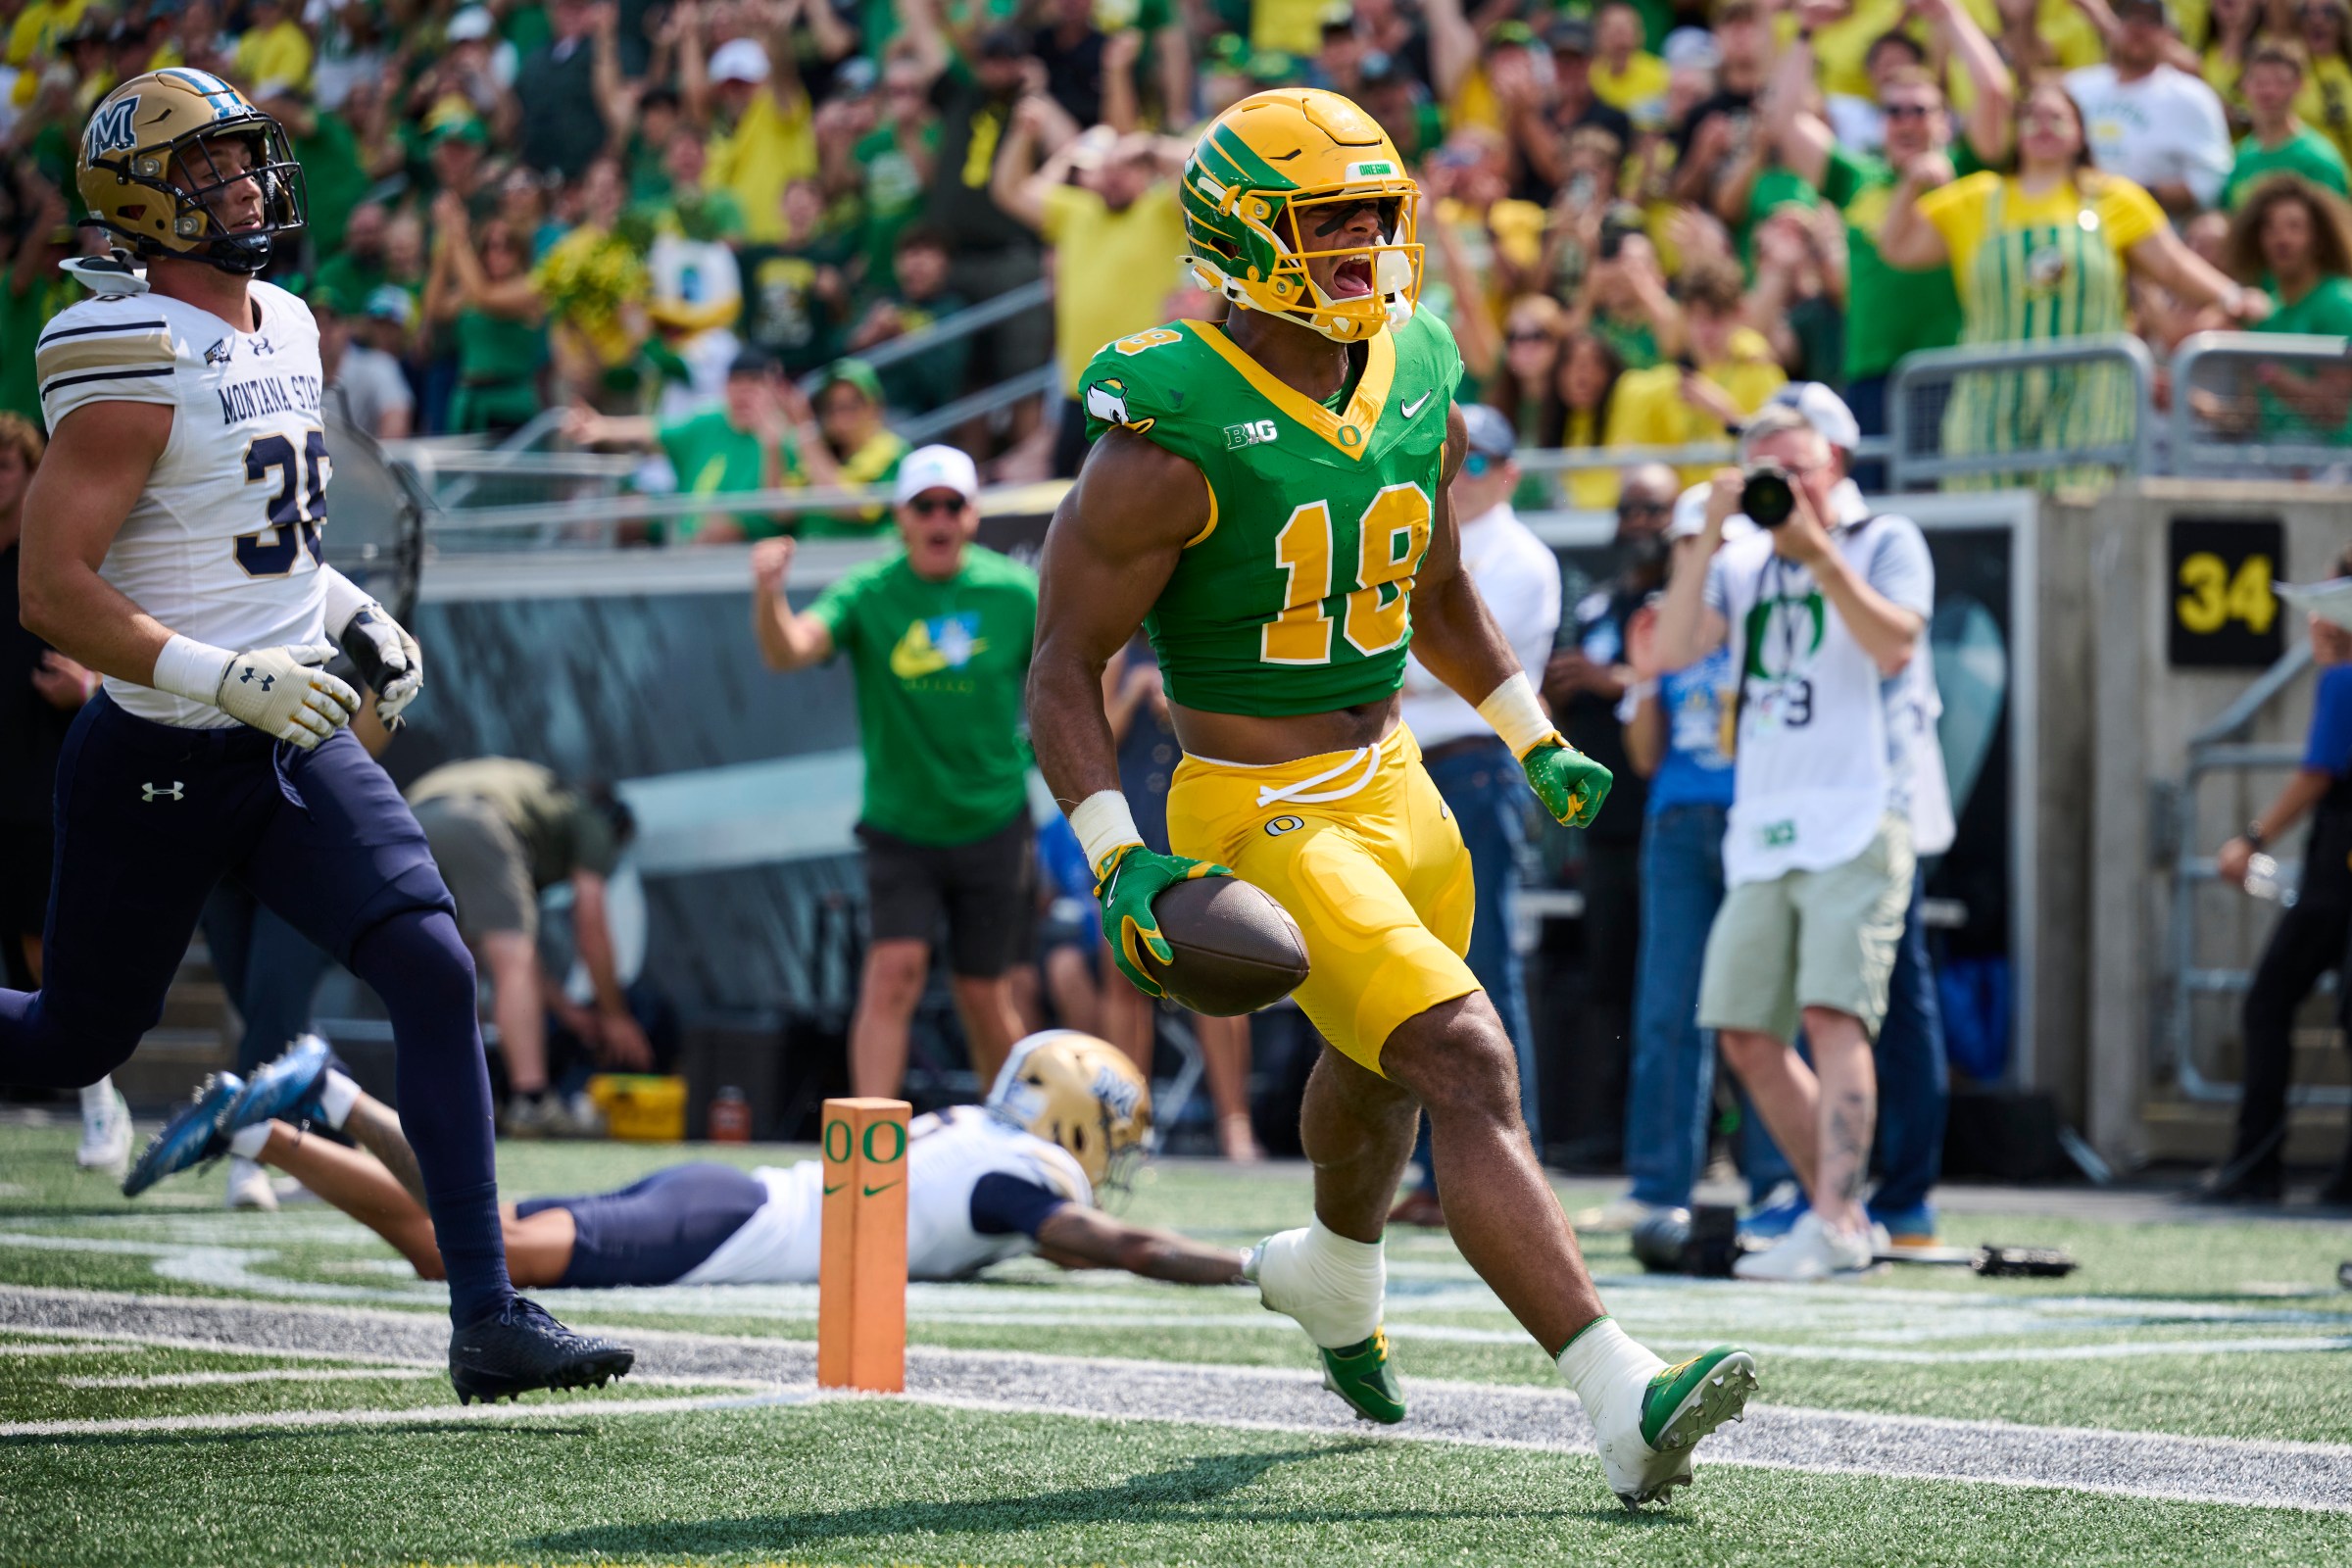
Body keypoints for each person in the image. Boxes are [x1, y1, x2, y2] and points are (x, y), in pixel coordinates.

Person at [1027, 88, 1755, 1510]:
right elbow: (1064, 666)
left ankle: (1332, 1274)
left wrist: (1526, 726)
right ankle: (1622, 1394)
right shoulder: (1164, 431)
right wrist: (1117, 858)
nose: (1361, 239)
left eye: (1374, 209)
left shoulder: (1418, 359)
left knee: (1377, 1075)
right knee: (1468, 1060)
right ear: (1245, 232)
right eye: (1325, 217)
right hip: (1257, 806)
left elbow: (1433, 588)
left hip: (1405, 784)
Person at [8, 70, 628, 1399]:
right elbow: (53, 589)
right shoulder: (121, 348)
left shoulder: (287, 317)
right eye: (206, 174)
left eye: (246, 163)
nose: (242, 189)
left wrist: (352, 614)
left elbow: (254, 544)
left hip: (289, 733)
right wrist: (225, 679)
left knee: (434, 967)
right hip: (159, 753)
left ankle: (487, 1316)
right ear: (137, 204)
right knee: (73, 1042)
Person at [134, 1028, 1262, 1288]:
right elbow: (1107, 1239)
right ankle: (319, 1096)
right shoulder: (1030, 1180)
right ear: (1077, 1122)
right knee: (464, 1249)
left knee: (458, 1236)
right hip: (728, 1231)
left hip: (721, 1197)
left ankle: (277, 1118)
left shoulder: (973, 1131)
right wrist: (1248, 1268)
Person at [1648, 401, 1938, 1281]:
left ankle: (1835, 1215)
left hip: (1857, 812)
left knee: (1831, 1015)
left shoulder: (1883, 537)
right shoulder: (1737, 562)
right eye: (1766, 470)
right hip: (1765, 825)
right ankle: (1840, 1215)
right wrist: (1703, 534)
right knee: (1741, 1028)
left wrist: (1817, 553)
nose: (1785, 485)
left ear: (1837, 467)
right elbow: (1668, 654)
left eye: (1799, 468)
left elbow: (1895, 646)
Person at [751, 444, 1037, 1102]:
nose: (938, 519)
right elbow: (789, 651)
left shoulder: (1016, 593)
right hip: (901, 823)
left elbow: (1074, 669)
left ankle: (1007, 1142)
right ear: (900, 518)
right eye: (923, 506)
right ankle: (868, 1147)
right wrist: (769, 596)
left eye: (952, 505)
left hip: (993, 820)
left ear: (972, 516)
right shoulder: (869, 591)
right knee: (893, 972)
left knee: (986, 992)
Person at [1879, 79, 2272, 487]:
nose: (2044, 126)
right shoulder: (1976, 199)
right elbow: (1896, 247)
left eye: (2057, 118)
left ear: (2080, 133)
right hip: (1989, 402)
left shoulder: (2114, 198)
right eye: (2031, 118)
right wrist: (1910, 183)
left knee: (2078, 519)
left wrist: (2232, 295)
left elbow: (2172, 266)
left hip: (2087, 401)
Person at [1386, 406, 1561, 1228]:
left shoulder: (1524, 558)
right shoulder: (1426, 530)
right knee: (1404, 971)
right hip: (1407, 768)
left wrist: (1405, 659)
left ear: (1512, 471)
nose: (1465, 469)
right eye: (1458, 455)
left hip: (1474, 766)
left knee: (1480, 964)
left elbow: (1456, 669)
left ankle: (1505, 1160)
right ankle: (1432, 1165)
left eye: (1482, 459)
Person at [1605, 482, 1742, 1230]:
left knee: (1764, 1013)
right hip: (1677, 822)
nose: (1708, 555)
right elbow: (1646, 756)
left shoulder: (1764, 613)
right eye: (1694, 542)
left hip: (1758, 819)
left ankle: (1785, 1187)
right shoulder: (1659, 623)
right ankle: (1659, 1184)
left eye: (1718, 541)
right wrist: (1649, 675)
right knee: (1666, 1010)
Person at [2200, 551, 2352, 1206]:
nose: (2314, 618)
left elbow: (2317, 773)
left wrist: (2251, 840)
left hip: (2339, 877)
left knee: (2268, 1000)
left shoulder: (2344, 682)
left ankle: (2255, 1166)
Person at [1544, 463, 1679, 1173]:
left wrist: (1610, 680)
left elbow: (1687, 678)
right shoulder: (1595, 608)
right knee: (1608, 983)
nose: (1638, 524)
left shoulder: (1685, 603)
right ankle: (1609, 1128)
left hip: (1674, 823)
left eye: (1654, 510)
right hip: (1604, 830)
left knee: (1672, 988)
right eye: (1629, 510)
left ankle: (1694, 1139)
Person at [405, 759, 650, 1137]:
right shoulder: (593, 822)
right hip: (477, 819)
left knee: (455, 962)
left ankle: (454, 1101)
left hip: (407, 816)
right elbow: (590, 924)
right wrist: (616, 1015)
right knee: (509, 959)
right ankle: (531, 1101)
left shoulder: (542, 820)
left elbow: (522, 949)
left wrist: (567, 1012)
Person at [0, 411, 120, 1174]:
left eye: (6, 465)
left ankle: (103, 1105)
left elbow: (111, 653)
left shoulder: (49, 559)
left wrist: (87, 688)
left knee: (50, 955)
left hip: (38, 788)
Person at [1101, 637, 1259, 1163]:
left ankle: (1234, 1124)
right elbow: (1096, 741)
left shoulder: (1210, 640)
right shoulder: (1119, 654)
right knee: (1125, 977)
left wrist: (1180, 707)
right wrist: (1131, 697)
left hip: (1199, 836)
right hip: (1136, 835)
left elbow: (1244, 736)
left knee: (1216, 981)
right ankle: (1128, 1121)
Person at [991, 118, 1189, 477]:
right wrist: (1023, 132)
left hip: (1145, 386)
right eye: (1105, 168)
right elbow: (1009, 190)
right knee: (1066, 496)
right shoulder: (1076, 212)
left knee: (1141, 488)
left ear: (1146, 172)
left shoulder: (1161, 212)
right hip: (1078, 388)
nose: (1114, 176)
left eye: (1126, 168)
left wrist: (1149, 144)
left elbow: (1204, 167)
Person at [2065, 0, 2236, 217]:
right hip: (2080, 222)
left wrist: (2135, 196)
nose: (2139, 29)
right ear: (2114, 28)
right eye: (2130, 20)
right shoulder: (2078, 88)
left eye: (2151, 22)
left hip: (2158, 228)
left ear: (2170, 35)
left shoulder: (2192, 97)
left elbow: (2211, 179)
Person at [2225, 174, 2352, 436]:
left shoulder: (2339, 302)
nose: (2281, 238)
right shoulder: (2266, 313)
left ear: (2318, 239)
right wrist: (2184, 398)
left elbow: (2335, 410)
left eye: (2295, 227)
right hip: (2272, 467)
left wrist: (2271, 375)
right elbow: (2248, 418)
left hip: (2334, 470)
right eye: (2269, 227)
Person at [2224, 41, 2352, 208]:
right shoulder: (2240, 158)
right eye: (2260, 82)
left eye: (2280, 82)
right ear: (2244, 85)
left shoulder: (2319, 161)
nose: (2269, 92)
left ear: (2300, 85)